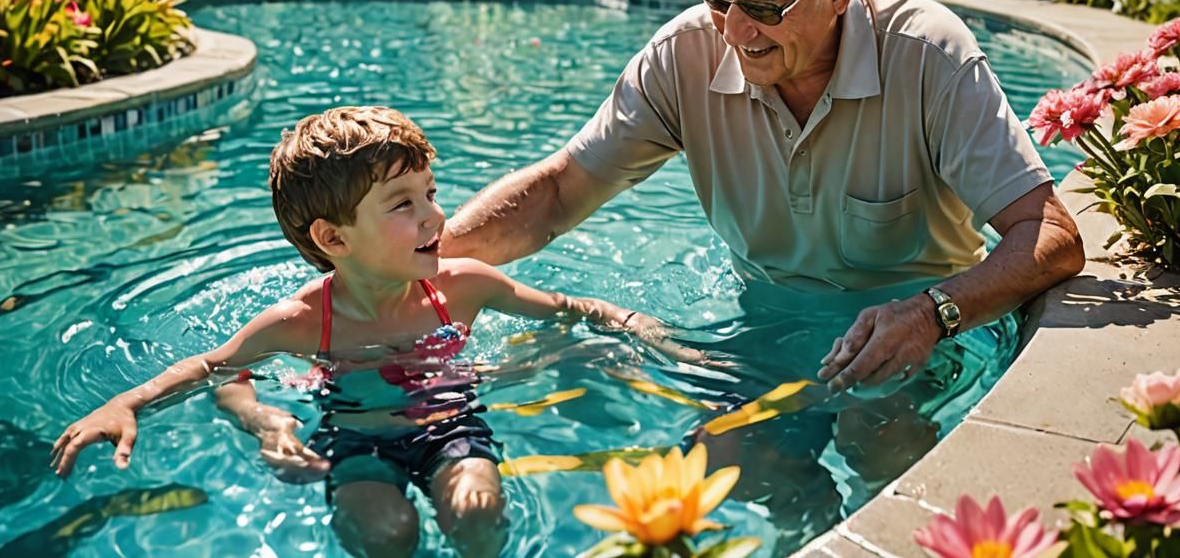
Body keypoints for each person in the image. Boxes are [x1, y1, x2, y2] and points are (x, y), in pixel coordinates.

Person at [440, 0, 1085, 523]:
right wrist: (416, 265)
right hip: (771, 330)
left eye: (762, 4)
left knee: (879, 445)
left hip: (929, 329)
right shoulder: (685, 56)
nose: (733, 30)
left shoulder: (929, 55)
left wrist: (932, 313)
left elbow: (1052, 236)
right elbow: (558, 192)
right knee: (718, 466)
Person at [50, 106, 697, 558]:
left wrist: (628, 324)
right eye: (403, 204)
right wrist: (248, 419)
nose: (435, 217)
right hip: (355, 438)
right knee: (386, 534)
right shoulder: (304, 321)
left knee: (476, 514)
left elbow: (567, 307)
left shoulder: (463, 286)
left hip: (453, 425)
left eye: (431, 192)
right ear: (334, 239)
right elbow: (218, 371)